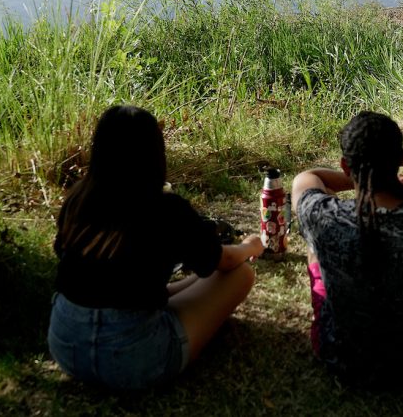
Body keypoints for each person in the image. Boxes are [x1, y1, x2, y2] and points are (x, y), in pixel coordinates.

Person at [47, 105, 264, 391]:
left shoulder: (78, 199)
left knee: (189, 280)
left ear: (100, 150)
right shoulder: (166, 210)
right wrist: (249, 246)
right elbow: (222, 261)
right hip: (134, 359)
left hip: (66, 346)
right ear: (154, 154)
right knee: (240, 275)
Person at [292, 111, 403, 385]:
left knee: (315, 231)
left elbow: (307, 178)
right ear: (402, 158)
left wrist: (358, 178)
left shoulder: (327, 217)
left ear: (344, 165)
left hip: (341, 357)